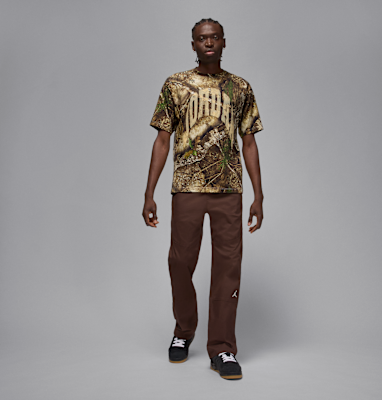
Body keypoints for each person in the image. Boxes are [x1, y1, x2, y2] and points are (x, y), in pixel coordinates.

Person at [142, 18, 264, 380]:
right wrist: (149, 193)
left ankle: (222, 348)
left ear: (224, 42)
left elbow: (249, 143)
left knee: (228, 267)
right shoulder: (175, 84)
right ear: (193, 44)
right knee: (180, 262)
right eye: (201, 38)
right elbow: (162, 140)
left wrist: (259, 195)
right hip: (187, 187)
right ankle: (184, 330)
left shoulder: (240, 87)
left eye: (214, 37)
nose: (208, 42)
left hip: (229, 191)